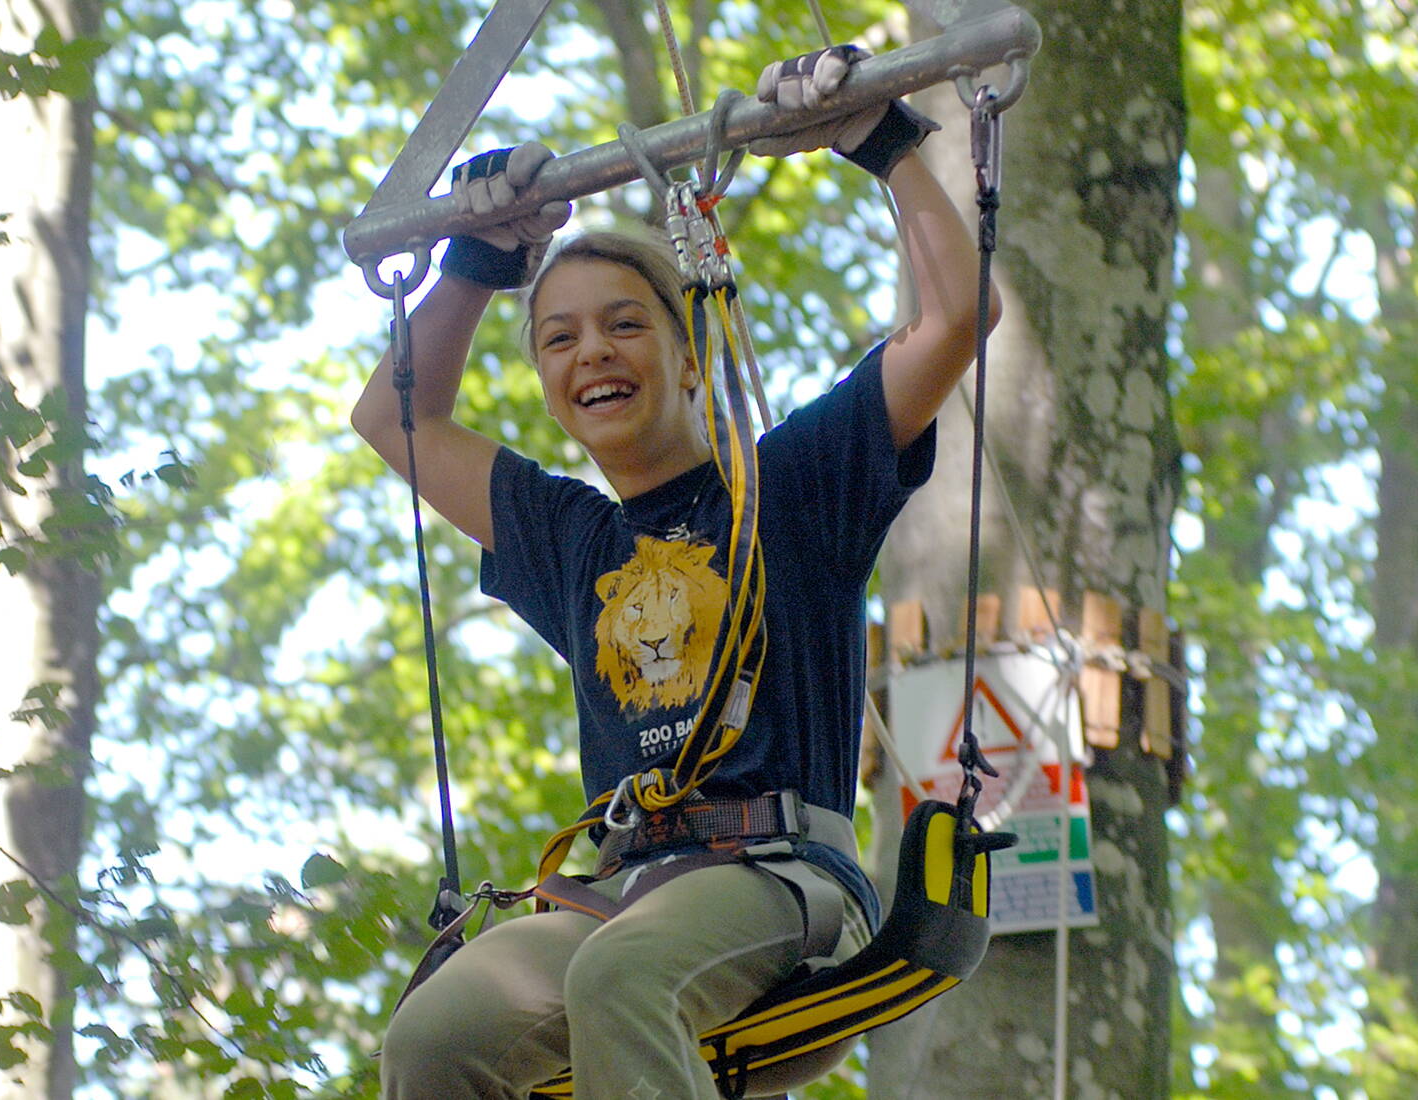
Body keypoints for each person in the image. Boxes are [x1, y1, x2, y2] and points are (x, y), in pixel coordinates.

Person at [352, 45, 1000, 1100]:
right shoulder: (568, 537)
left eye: (622, 324)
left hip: (777, 884)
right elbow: (396, 418)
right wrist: (477, 264)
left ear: (689, 353)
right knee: (433, 1039)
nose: (590, 353)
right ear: (549, 386)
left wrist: (881, 144)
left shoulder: (788, 484)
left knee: (624, 973)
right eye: (558, 339)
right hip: (621, 891)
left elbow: (955, 321)